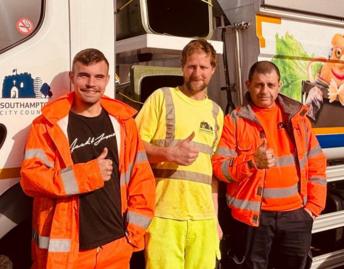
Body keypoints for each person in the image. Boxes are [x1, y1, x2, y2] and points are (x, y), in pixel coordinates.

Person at [20, 48, 156, 269]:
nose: (91, 83)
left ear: (107, 80)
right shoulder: (47, 125)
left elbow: (142, 180)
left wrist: (132, 236)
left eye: (99, 77)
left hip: (117, 246)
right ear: (72, 78)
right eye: (84, 75)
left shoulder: (124, 123)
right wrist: (88, 174)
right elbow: (31, 179)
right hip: (72, 254)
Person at [212, 61, 327, 269]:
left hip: (296, 217)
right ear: (248, 84)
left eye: (270, 85)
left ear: (279, 85)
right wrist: (251, 162)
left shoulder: (298, 119)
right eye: (259, 85)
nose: (264, 91)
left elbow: (316, 163)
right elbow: (220, 169)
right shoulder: (235, 121)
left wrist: (312, 208)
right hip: (252, 220)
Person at [135, 39, 224, 269]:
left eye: (203, 67)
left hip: (203, 219)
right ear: (182, 67)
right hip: (164, 216)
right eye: (191, 66)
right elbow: (131, 146)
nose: (197, 73)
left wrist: (215, 219)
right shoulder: (162, 98)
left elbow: (211, 172)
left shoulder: (216, 113)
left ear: (213, 69)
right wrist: (167, 153)